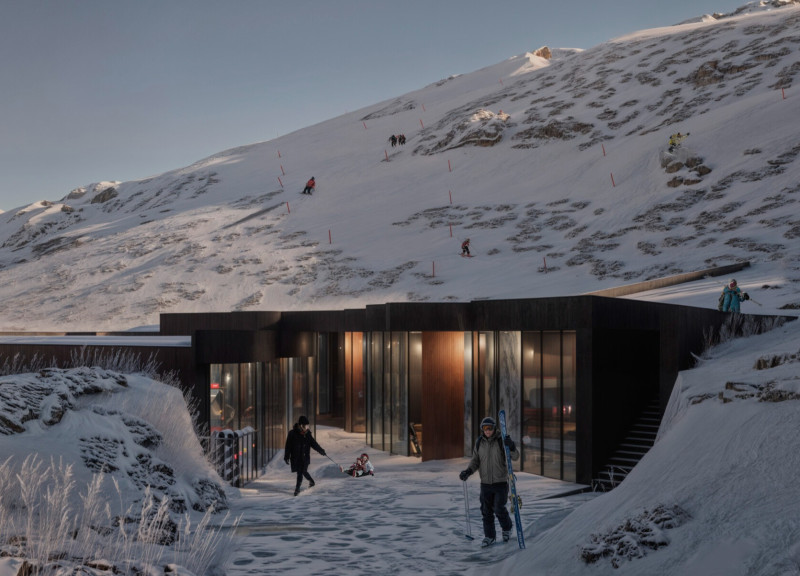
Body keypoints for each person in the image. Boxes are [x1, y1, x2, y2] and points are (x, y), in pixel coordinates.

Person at [459, 416, 519, 547]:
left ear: (494, 428)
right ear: (482, 430)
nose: (487, 431)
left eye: (490, 428)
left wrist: (512, 446)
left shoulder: (501, 440)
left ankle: (507, 528)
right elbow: (475, 460)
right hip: (485, 483)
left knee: (498, 508)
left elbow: (515, 457)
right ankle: (489, 536)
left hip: (500, 482)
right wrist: (468, 471)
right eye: (485, 428)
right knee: (486, 511)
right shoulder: (480, 442)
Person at [284, 415, 326, 496]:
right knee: (302, 471)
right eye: (304, 426)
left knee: (301, 472)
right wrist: (286, 456)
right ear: (300, 425)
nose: (306, 428)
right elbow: (288, 446)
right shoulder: (292, 434)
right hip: (296, 457)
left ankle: (297, 489)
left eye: (307, 426)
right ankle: (311, 481)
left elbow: (314, 444)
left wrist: (321, 451)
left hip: (305, 457)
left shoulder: (308, 434)